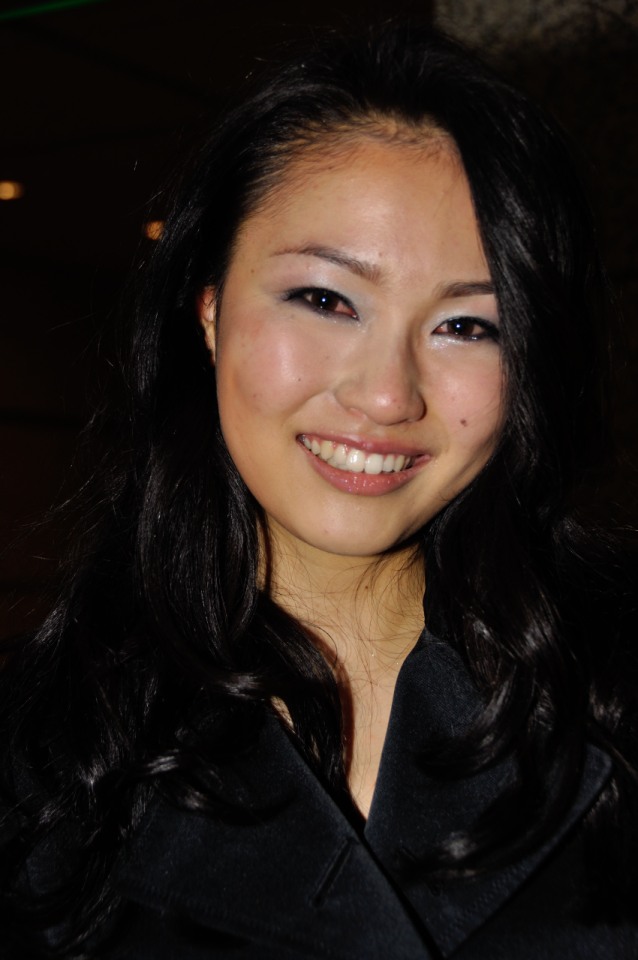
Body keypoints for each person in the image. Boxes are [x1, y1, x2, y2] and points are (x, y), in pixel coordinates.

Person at [1, 19, 636, 960]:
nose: (387, 396)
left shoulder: (612, 690)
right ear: (210, 307)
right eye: (327, 300)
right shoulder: (43, 751)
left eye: (468, 326)